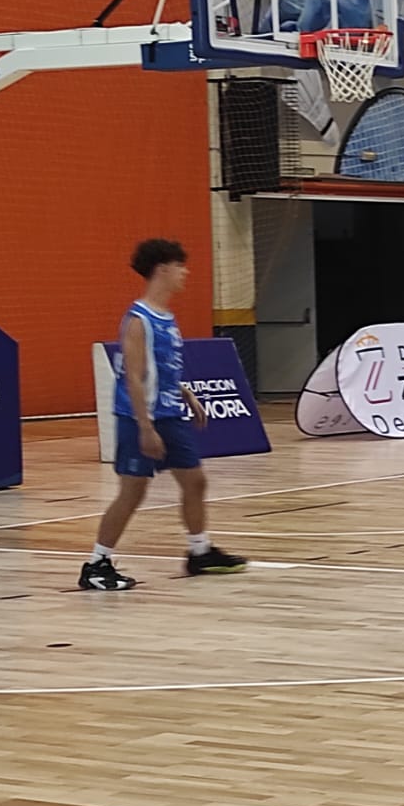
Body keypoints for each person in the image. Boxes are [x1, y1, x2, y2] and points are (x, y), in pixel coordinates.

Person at [80, 240, 246, 591]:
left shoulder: (167, 317)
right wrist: (145, 428)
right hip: (141, 417)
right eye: (180, 266)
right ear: (163, 269)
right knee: (132, 492)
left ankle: (199, 552)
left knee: (195, 481)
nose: (186, 273)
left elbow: (162, 368)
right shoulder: (139, 320)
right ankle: (96, 564)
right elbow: (135, 377)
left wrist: (186, 392)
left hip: (171, 412)